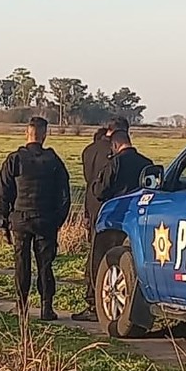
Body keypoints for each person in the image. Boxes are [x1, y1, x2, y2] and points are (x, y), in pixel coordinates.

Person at [0, 116, 70, 321]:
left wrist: (5, 218)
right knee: (45, 264)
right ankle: (47, 307)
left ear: (26, 133)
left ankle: (22, 306)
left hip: (20, 218)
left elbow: (3, 192)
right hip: (46, 219)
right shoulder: (54, 161)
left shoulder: (15, 159)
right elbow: (64, 195)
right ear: (45, 134)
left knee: (22, 263)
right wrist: (58, 220)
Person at [72, 117, 131, 322]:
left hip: (97, 209)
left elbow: (91, 185)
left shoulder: (90, 151)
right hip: (124, 213)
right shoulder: (121, 157)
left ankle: (93, 300)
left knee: (96, 257)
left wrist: (87, 213)